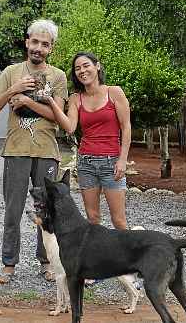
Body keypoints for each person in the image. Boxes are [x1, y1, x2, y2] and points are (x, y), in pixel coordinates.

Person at [0, 19, 68, 284]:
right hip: (16, 150)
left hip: (46, 151)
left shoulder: (58, 76)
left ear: (51, 48)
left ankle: (47, 262)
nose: (39, 48)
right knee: (13, 209)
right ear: (27, 42)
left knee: (47, 209)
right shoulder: (11, 71)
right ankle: (9, 264)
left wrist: (26, 103)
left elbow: (57, 117)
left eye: (45, 44)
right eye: (35, 42)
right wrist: (14, 90)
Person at [45, 51, 131, 234]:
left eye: (86, 66)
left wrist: (123, 159)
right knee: (92, 218)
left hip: (112, 162)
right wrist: (50, 101)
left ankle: (129, 260)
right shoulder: (76, 98)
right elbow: (69, 127)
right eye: (77, 68)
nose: (82, 71)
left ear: (97, 66)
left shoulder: (114, 92)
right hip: (86, 163)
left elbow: (126, 127)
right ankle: (97, 260)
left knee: (119, 220)